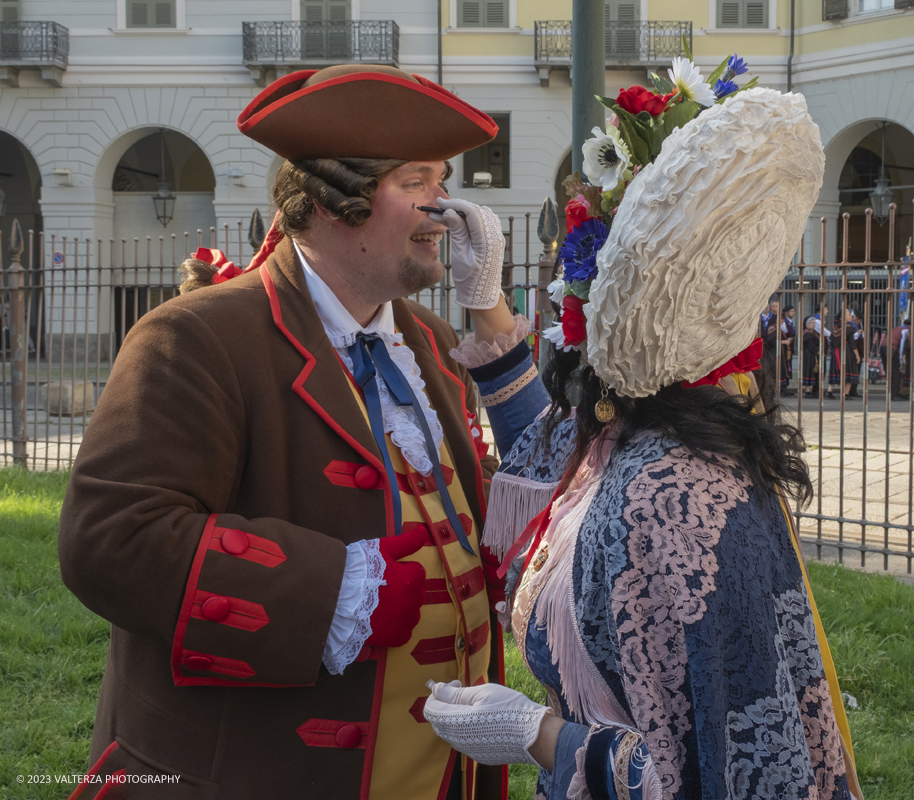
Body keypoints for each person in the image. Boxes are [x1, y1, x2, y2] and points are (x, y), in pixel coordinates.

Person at [57, 65, 550, 799]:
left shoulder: (435, 343)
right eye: (416, 181)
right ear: (334, 198)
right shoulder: (195, 338)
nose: (444, 207)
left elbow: (522, 484)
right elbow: (111, 537)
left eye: (442, 180)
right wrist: (333, 593)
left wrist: (490, 312)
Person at [419, 85, 862, 800]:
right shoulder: (635, 432)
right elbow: (551, 464)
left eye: (580, 274)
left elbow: (704, 780)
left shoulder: (667, 494)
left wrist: (538, 735)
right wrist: (484, 300)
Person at [887, 317, 909, 401]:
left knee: (891, 373)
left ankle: (892, 394)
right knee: (896, 373)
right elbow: (903, 346)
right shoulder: (905, 331)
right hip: (891, 350)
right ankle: (895, 395)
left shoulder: (896, 328)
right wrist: (902, 360)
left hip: (885, 348)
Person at [803, 315, 824, 399]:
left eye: (814, 322)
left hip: (813, 355)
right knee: (809, 371)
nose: (814, 324)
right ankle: (807, 391)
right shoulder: (807, 334)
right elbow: (811, 345)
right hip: (809, 355)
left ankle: (813, 391)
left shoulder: (814, 333)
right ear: (807, 324)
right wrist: (818, 352)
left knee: (814, 371)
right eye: (812, 322)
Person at [779, 303, 798, 395]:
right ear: (786, 312)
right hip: (784, 349)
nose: (793, 313)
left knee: (788, 367)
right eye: (791, 311)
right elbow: (784, 333)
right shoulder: (784, 322)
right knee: (785, 367)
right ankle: (782, 388)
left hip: (789, 348)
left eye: (794, 311)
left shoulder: (790, 322)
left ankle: (785, 387)